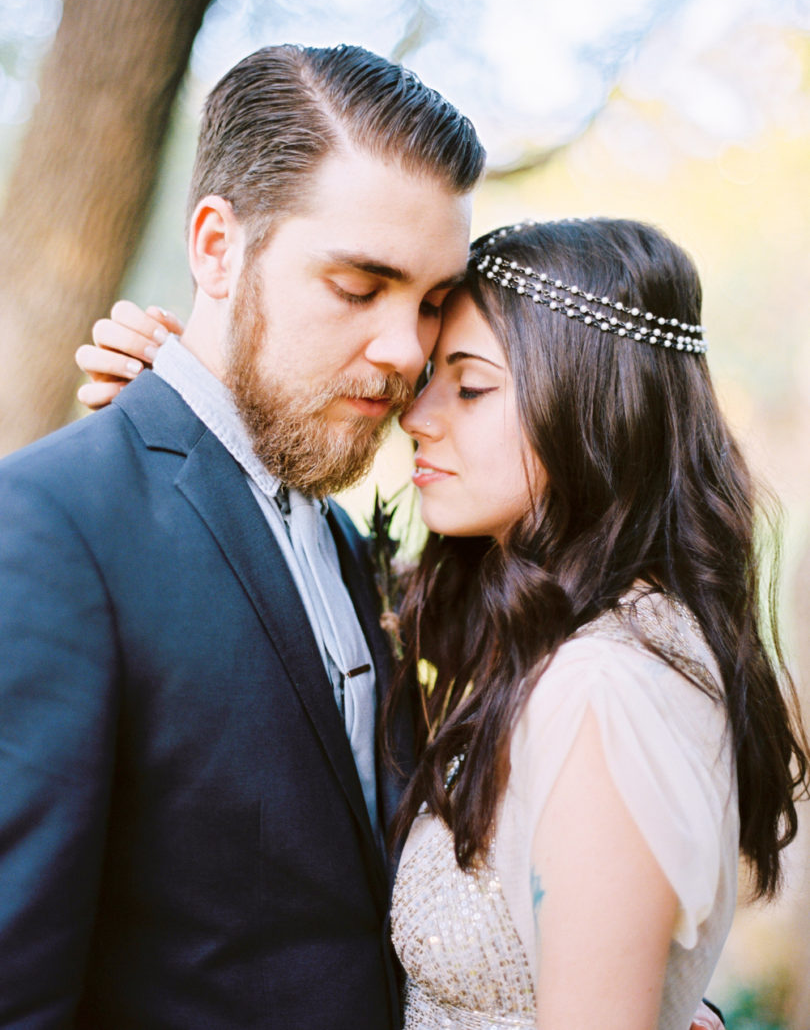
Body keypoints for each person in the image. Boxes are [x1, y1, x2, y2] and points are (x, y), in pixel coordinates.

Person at [75, 223, 793, 1029]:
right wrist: (190, 415)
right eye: (427, 379)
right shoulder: (556, 636)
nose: (416, 415)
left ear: (596, 408)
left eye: (471, 385)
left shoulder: (605, 689)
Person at [0, 43, 483, 1029]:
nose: (406, 350)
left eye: (433, 301)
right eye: (359, 284)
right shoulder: (50, 529)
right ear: (218, 247)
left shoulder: (349, 539)